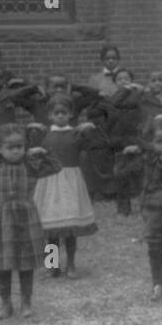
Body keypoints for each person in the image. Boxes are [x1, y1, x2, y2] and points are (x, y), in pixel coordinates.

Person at [0, 123, 61, 319]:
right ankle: (6, 303)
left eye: (20, 146)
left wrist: (43, 152)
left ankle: (26, 303)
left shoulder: (30, 165)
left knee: (26, 264)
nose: (16, 151)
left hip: (26, 217)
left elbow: (55, 167)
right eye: (11, 147)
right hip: (1, 219)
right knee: (3, 263)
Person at [29, 95, 106, 280]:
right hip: (49, 182)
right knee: (51, 228)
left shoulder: (77, 134)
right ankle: (52, 265)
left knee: (70, 227)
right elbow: (33, 153)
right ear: (50, 115)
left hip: (71, 182)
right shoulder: (45, 135)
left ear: (71, 114)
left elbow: (99, 144)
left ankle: (71, 263)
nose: (61, 116)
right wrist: (32, 132)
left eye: (64, 113)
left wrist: (91, 129)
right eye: (57, 113)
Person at [115, 119, 162, 300]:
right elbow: (120, 174)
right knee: (155, 248)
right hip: (153, 211)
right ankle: (157, 284)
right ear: (150, 142)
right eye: (159, 142)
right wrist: (126, 155)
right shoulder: (144, 160)